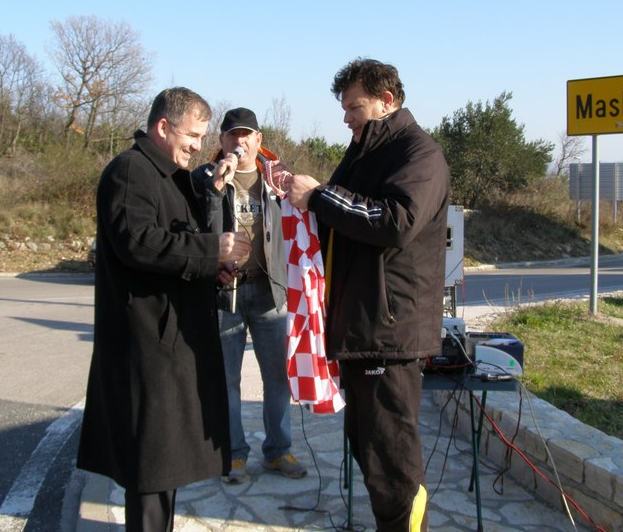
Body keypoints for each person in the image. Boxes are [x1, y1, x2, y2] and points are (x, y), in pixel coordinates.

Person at [77, 87, 251, 532]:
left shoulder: (170, 174)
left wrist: (212, 269)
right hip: (146, 343)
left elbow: (174, 249)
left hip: (169, 342)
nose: (198, 145)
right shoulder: (130, 171)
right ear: (162, 127)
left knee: (164, 466)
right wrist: (212, 250)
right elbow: (139, 243)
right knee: (151, 469)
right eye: (192, 135)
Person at [286, 59, 450, 532]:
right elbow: (342, 214)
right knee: (369, 448)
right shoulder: (364, 151)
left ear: (388, 101)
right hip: (361, 327)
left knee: (390, 459)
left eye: (354, 107)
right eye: (344, 108)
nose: (346, 118)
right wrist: (299, 197)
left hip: (389, 330)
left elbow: (395, 222)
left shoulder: (418, 153)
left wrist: (318, 196)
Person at [192, 107, 307, 484]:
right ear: (221, 141)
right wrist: (216, 190)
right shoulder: (203, 180)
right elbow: (197, 233)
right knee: (227, 380)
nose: (239, 141)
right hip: (226, 293)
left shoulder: (277, 182)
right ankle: (233, 454)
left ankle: (278, 451)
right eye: (231, 135)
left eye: (247, 135)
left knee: (277, 378)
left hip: (270, 292)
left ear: (259, 141)